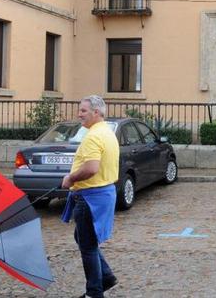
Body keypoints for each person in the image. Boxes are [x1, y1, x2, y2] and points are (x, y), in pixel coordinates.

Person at [61, 95, 120, 297]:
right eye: (80, 110)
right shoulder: (107, 132)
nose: (79, 114)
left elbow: (91, 168)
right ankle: (106, 277)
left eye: (84, 111)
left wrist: (70, 178)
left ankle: (94, 292)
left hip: (90, 197)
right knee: (83, 238)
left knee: (88, 246)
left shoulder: (94, 136)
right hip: (103, 193)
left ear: (96, 112)